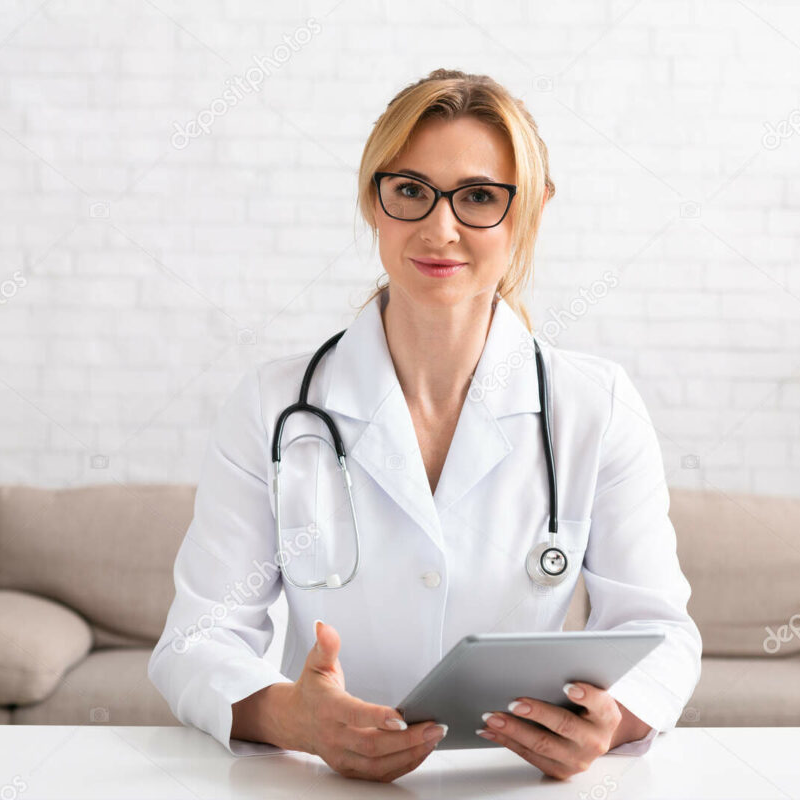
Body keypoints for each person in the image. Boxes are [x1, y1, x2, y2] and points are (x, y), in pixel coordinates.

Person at [148, 68, 702, 783]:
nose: (440, 229)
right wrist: (297, 719)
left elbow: (659, 634)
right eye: (410, 191)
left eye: (479, 197)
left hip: (510, 785)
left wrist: (607, 722)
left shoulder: (596, 405)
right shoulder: (272, 405)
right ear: (372, 200)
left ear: (530, 210)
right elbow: (196, 641)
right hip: (327, 787)